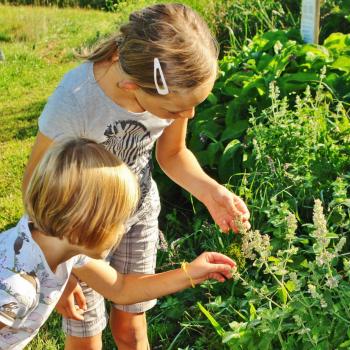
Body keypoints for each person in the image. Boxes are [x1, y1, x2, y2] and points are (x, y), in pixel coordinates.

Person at [22, 3, 250, 349]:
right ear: (131, 85)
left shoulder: (172, 89)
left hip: (139, 213)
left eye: (193, 107)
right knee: (86, 335)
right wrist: (57, 264)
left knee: (131, 329)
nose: (186, 114)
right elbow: (33, 187)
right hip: (79, 232)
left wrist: (210, 192)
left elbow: (172, 154)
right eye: (176, 110)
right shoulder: (74, 103)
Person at [1, 138, 236, 350]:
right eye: (118, 221)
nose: (123, 229)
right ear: (85, 225)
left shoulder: (60, 245)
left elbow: (121, 288)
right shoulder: (17, 287)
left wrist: (190, 274)